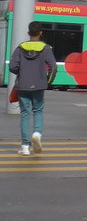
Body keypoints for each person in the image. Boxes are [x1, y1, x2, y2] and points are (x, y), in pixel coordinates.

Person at [9, 21, 57, 156]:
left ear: (28, 33)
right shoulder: (46, 48)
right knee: (38, 111)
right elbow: (53, 67)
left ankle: (25, 146)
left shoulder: (20, 48)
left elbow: (12, 66)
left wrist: (22, 73)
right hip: (39, 85)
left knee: (25, 113)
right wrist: (47, 81)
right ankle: (37, 133)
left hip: (22, 85)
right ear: (41, 33)